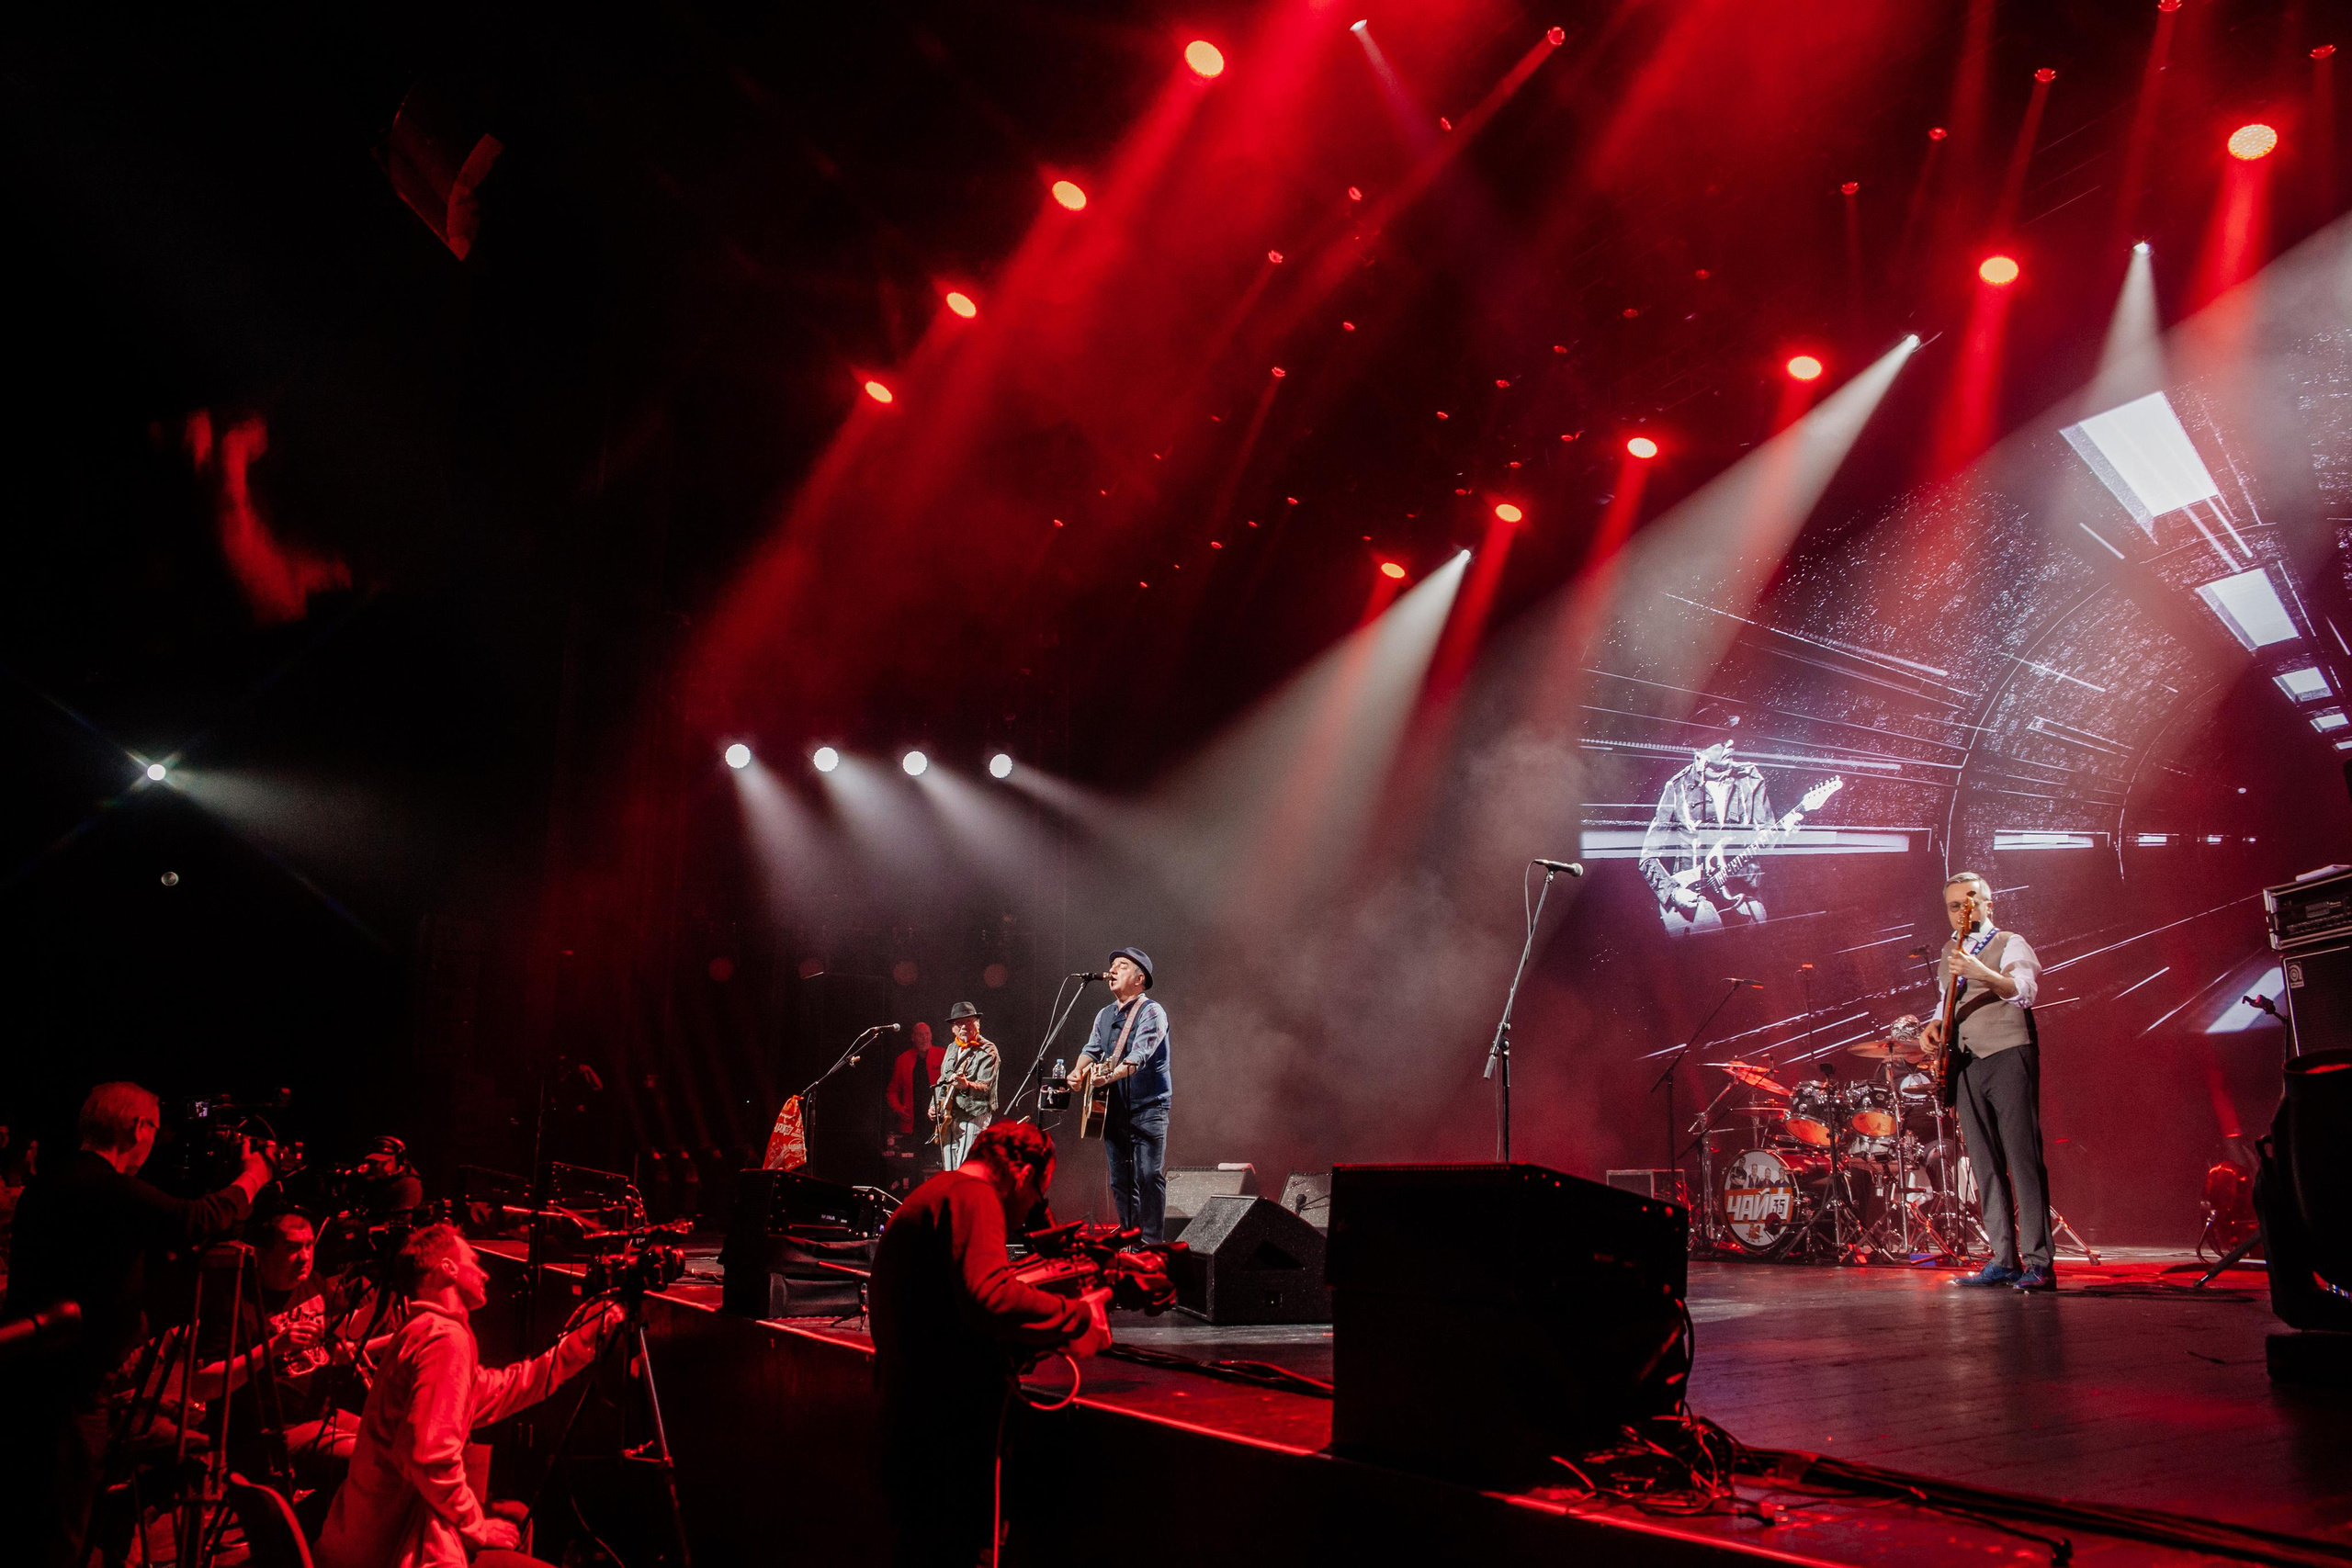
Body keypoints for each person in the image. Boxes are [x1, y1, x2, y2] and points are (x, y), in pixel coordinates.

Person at [1, 1081, 277, 1568]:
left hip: (35, 1377)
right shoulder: (103, 1188)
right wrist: (253, 1176)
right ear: (137, 1128)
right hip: (73, 1388)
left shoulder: (50, 1184)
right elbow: (197, 1218)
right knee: (61, 1529)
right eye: (154, 1131)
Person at [868, 1122, 1110, 1568]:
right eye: (1040, 1194)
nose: (1033, 1210)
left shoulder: (937, 1194)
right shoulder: (974, 1197)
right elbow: (989, 1296)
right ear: (1022, 1174)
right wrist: (1078, 1318)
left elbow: (951, 1313)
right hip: (946, 1449)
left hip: (912, 1431)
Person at [313, 1223, 621, 1568]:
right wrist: (475, 1525)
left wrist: (581, 1344)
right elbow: (429, 1455)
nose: (484, 1273)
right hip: (396, 1548)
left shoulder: (421, 1331)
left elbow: (505, 1388)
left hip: (366, 1539)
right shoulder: (444, 1339)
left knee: (516, 1518)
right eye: (473, 1261)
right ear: (447, 1268)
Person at [1915, 871, 2052, 1292]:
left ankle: (2039, 1264)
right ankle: (2003, 1260)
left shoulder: (2010, 941)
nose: (1963, 910)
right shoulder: (1947, 950)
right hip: (1967, 1064)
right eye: (1955, 905)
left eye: (1971, 900)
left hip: (2008, 1054)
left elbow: (2025, 991)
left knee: (2022, 1161)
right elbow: (1947, 998)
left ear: (1988, 904)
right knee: (1985, 1167)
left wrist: (1981, 970)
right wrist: (1934, 1025)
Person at [187, 1209, 362, 1493]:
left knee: (392, 1441)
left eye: (308, 1246)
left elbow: (339, 1344)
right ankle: (314, 1531)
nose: (305, 1257)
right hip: (269, 1435)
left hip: (321, 1416)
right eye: (292, 1248)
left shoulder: (313, 1283)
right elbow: (201, 1386)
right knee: (368, 1460)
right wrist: (275, 1346)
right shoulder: (236, 1301)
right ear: (263, 1254)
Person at [1638, 707, 1776, 935]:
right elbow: (1648, 857)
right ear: (1699, 750)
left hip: (1744, 898)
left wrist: (1788, 829)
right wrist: (1674, 893)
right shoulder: (1677, 788)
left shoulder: (1750, 779)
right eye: (1721, 740)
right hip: (1697, 905)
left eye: (1730, 736)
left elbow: (1769, 839)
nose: (1731, 743)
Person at [1066, 948, 1171, 1242]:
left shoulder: (1152, 1012)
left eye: (1121, 966)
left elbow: (1140, 1054)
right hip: (1114, 1107)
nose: (1112, 970)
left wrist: (1110, 1074)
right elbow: (1092, 1049)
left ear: (1140, 979)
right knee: (1120, 1181)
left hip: (1149, 1106)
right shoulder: (1105, 1015)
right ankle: (1130, 1242)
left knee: (1148, 1175)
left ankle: (1152, 1245)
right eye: (1111, 966)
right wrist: (1078, 1072)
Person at [929, 1001, 1000, 1170]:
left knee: (964, 1169)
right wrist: (934, 1105)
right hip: (950, 1116)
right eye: (959, 1023)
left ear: (978, 1023)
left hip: (974, 1115)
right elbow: (942, 1080)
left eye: (969, 1022)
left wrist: (966, 1085)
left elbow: (986, 1087)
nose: (964, 1027)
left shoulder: (988, 1050)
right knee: (950, 1171)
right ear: (953, 1028)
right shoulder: (952, 1048)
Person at [886, 1021, 946, 1140]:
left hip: (939, 1118)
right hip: (913, 1121)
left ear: (931, 1035)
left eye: (927, 1034)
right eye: (920, 1034)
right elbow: (891, 1091)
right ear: (913, 1038)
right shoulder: (903, 1060)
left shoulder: (943, 1055)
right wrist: (898, 1109)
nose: (924, 1038)